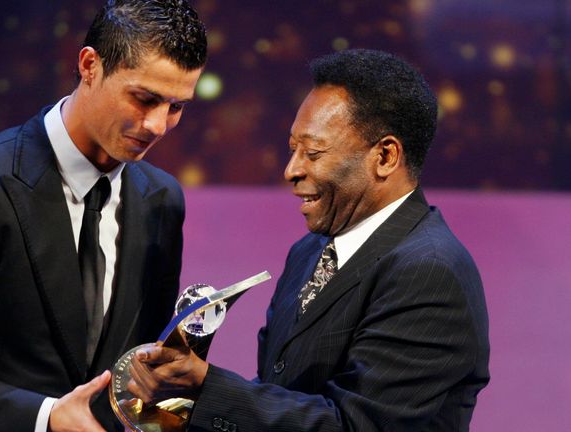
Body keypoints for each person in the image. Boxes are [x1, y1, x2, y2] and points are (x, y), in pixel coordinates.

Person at [0, 1, 207, 431]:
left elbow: (135, 367)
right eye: (144, 98)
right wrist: (46, 418)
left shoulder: (162, 200)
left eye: (177, 107)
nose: (157, 125)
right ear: (89, 65)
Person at [127, 49, 490, 431]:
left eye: (313, 153)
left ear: (384, 156)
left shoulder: (429, 272)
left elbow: (354, 426)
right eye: (292, 149)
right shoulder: (309, 252)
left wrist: (206, 387)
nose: (291, 170)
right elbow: (279, 396)